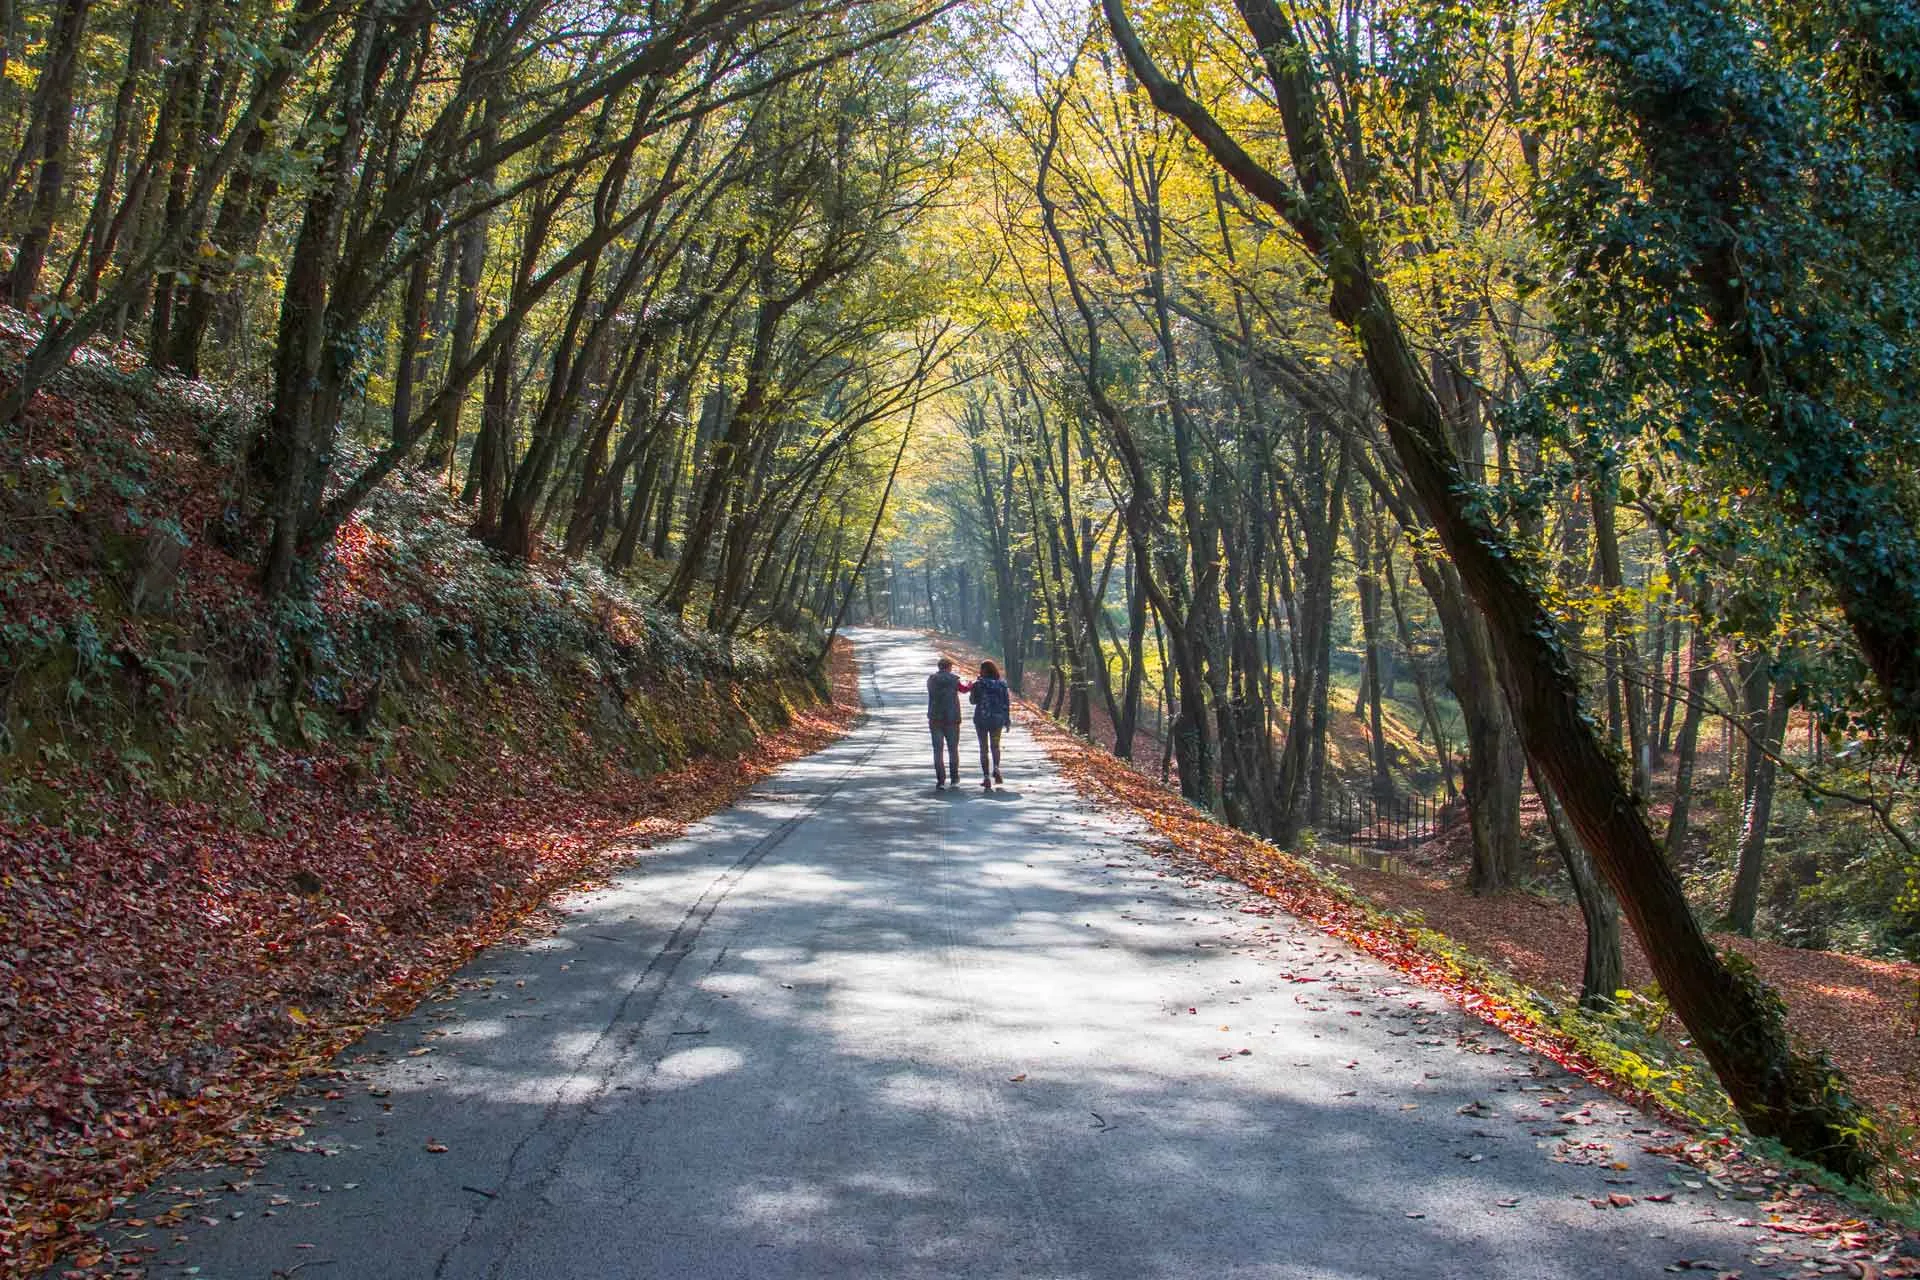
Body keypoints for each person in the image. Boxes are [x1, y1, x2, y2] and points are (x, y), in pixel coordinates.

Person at [926, 657, 970, 790]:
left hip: (935, 719)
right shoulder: (954, 680)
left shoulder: (931, 680)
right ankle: (954, 778)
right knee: (953, 749)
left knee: (938, 751)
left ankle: (940, 780)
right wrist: (970, 684)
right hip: (952, 719)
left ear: (939, 667)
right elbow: (963, 689)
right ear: (949, 667)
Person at [969, 659, 1012, 791]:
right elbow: (1006, 703)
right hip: (997, 720)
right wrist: (1007, 719)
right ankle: (997, 768)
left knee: (984, 748)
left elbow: (973, 701)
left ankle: (986, 777)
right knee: (995, 746)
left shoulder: (978, 684)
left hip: (982, 719)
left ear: (983, 670)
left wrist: (975, 687)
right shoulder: (1002, 684)